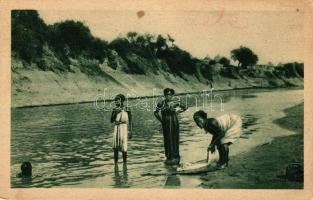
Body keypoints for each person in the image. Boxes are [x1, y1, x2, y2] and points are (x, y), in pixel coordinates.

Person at [154, 88, 187, 165]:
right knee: (167, 138)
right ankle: (169, 156)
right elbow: (155, 113)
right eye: (167, 94)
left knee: (175, 138)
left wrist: (178, 111)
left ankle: (176, 155)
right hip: (166, 123)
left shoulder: (176, 102)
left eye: (170, 94)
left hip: (174, 122)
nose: (169, 96)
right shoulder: (161, 103)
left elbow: (185, 107)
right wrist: (161, 120)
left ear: (172, 95)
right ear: (164, 95)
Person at [111, 94, 133, 164]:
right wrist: (115, 113)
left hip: (124, 128)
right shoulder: (115, 109)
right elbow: (111, 120)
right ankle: (116, 164)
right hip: (117, 128)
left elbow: (131, 121)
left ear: (122, 101)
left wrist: (131, 131)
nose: (116, 102)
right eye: (115, 101)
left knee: (124, 147)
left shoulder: (127, 109)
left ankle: (124, 165)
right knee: (115, 147)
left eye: (118, 100)